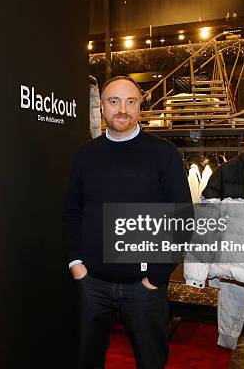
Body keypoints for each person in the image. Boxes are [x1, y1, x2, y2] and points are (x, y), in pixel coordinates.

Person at [63, 76, 192, 369]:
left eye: (130, 101)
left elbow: (182, 219)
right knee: (87, 360)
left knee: (151, 361)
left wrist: (156, 278)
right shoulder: (85, 155)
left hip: (143, 287)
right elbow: (72, 211)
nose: (122, 109)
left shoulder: (163, 153)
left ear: (140, 106)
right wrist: (76, 264)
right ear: (102, 109)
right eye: (114, 101)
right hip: (92, 283)